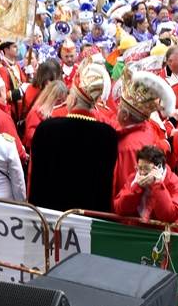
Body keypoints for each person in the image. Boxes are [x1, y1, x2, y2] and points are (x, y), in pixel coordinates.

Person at [28, 64, 118, 212]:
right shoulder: (108, 135)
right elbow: (109, 184)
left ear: (73, 100)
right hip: (90, 217)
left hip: (50, 214)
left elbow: (35, 177)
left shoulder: (47, 129)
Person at [114, 67, 176, 196]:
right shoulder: (147, 127)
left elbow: (126, 186)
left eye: (120, 107)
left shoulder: (130, 147)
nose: (117, 109)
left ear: (125, 115)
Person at [113, 145, 178, 224]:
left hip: (168, 232)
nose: (142, 173)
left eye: (146, 168)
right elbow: (119, 208)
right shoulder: (134, 178)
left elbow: (169, 216)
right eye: (139, 168)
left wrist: (157, 185)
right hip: (139, 230)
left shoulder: (175, 184)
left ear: (158, 168)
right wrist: (137, 187)